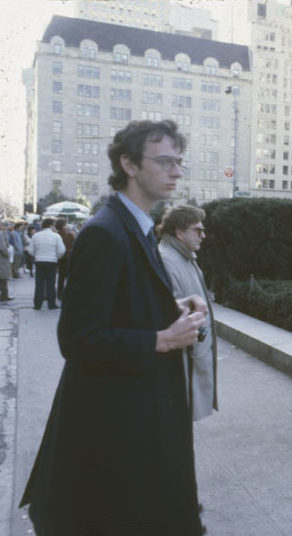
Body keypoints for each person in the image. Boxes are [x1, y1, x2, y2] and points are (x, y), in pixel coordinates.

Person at [20, 120, 208, 535]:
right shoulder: (106, 231)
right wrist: (162, 339)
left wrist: (171, 307)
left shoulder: (135, 225)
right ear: (129, 163)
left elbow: (122, 303)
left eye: (179, 162)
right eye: (164, 161)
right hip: (119, 425)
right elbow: (78, 338)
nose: (176, 171)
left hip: (136, 413)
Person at [158, 204, 218, 421]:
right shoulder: (168, 259)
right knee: (177, 425)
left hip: (190, 356)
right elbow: (166, 312)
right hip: (181, 361)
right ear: (179, 232)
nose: (204, 235)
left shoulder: (182, 256)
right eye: (198, 230)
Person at [29, 218, 65, 310]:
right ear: (50, 226)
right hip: (52, 262)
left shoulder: (36, 236)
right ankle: (51, 304)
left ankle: (37, 304)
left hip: (39, 261)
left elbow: (30, 250)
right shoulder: (56, 236)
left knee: (39, 283)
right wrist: (56, 257)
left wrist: (37, 256)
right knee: (51, 283)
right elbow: (62, 250)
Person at [54, 218, 76, 301]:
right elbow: (74, 244)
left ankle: (59, 294)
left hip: (60, 257)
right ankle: (69, 294)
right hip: (68, 256)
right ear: (63, 225)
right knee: (68, 276)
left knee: (61, 276)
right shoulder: (69, 234)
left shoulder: (56, 234)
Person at [0, 222, 11, 302]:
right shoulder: (1, 234)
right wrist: (7, 254)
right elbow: (3, 247)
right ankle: (4, 295)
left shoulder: (3, 233)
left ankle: (5, 294)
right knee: (3, 278)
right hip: (2, 259)